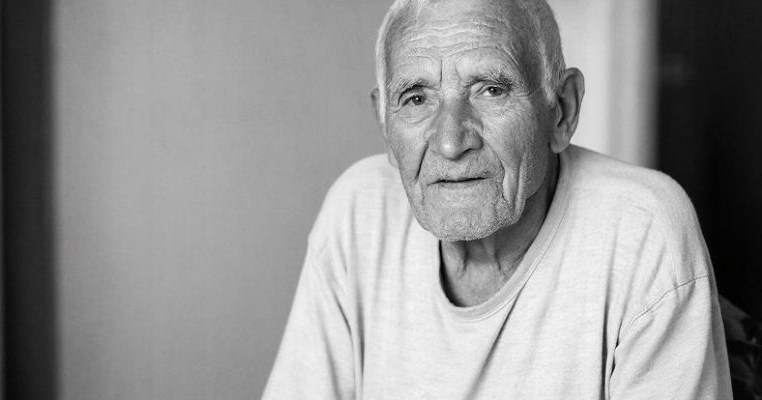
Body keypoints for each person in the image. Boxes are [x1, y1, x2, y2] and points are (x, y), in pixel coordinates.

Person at [263, 0, 733, 398]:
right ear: (385, 126)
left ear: (562, 111)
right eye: (416, 98)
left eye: (491, 90)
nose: (451, 142)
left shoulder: (642, 231)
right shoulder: (358, 211)